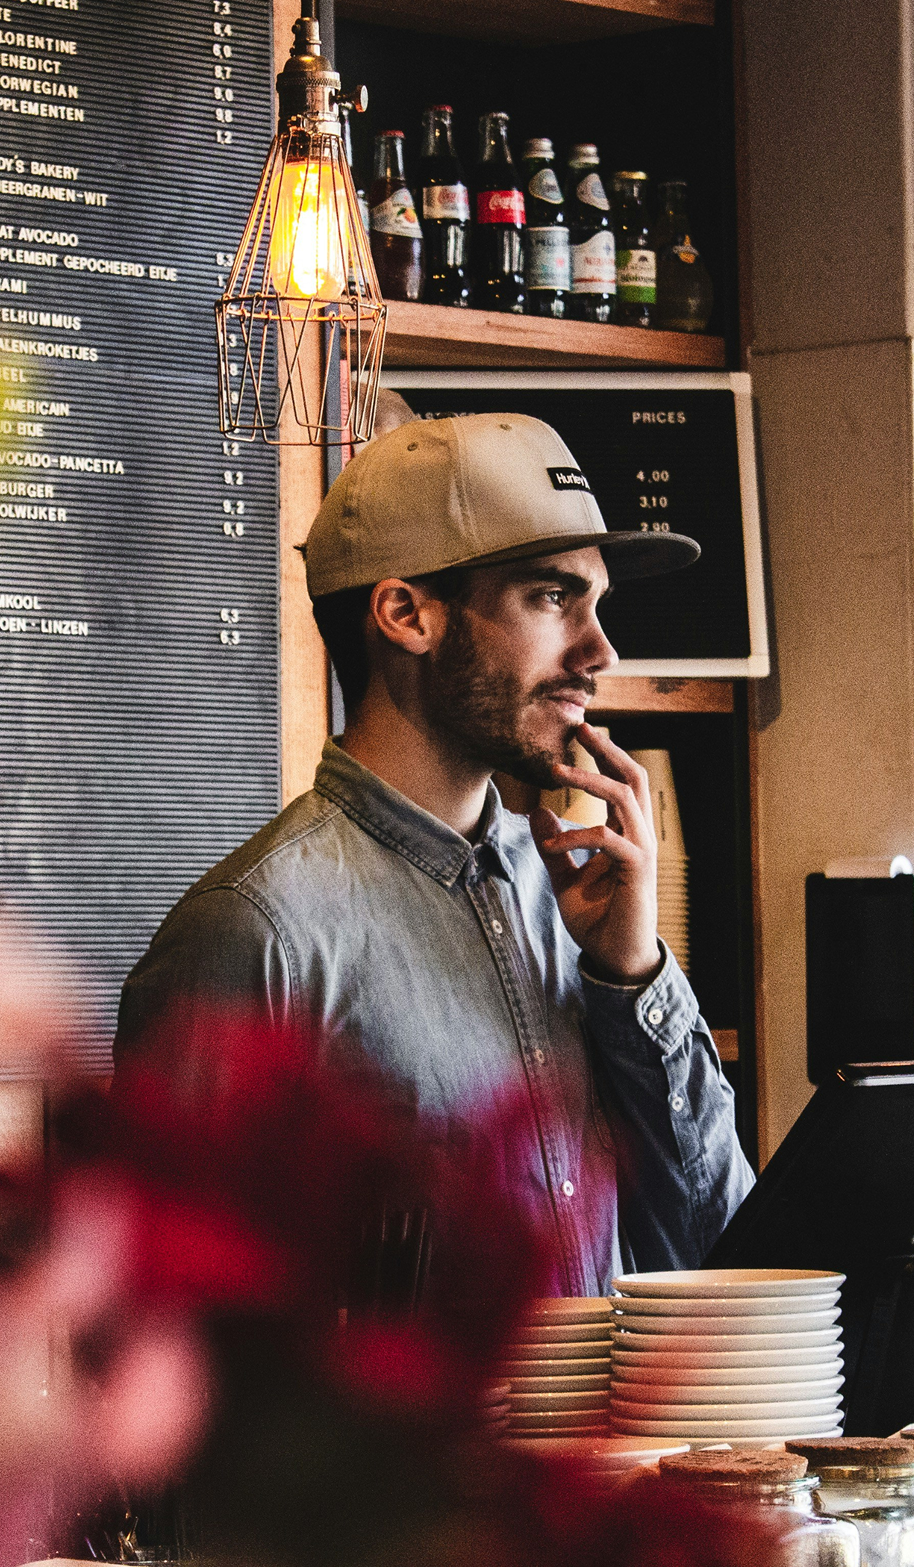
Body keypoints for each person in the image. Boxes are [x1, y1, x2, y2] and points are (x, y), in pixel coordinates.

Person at [116, 411, 752, 1294]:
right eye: (552, 597)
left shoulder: (585, 907)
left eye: (597, 603)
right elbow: (181, 1343)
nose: (601, 650)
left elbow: (721, 1252)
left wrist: (633, 974)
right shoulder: (254, 935)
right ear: (406, 613)